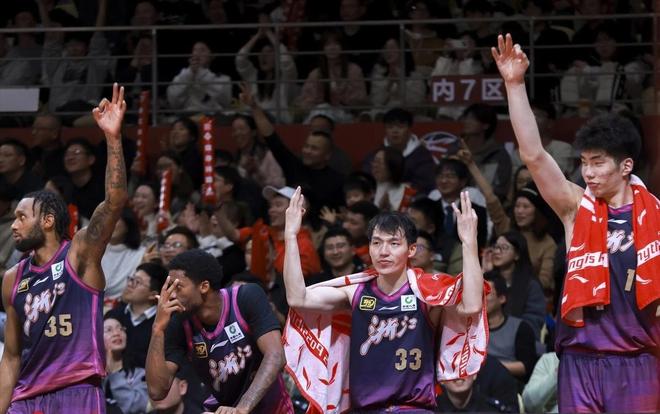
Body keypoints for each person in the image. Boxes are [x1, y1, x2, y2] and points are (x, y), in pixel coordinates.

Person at [493, 33, 659, 412]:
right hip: (579, 360)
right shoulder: (575, 207)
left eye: (598, 163)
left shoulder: (656, 218)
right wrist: (514, 84)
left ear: (626, 166)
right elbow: (534, 155)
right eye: (584, 163)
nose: (588, 173)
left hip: (637, 361)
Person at [282, 187, 487, 412]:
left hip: (413, 409)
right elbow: (297, 298)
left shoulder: (427, 293)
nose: (383, 251)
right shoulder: (355, 292)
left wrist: (469, 242)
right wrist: (290, 235)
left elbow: (472, 305)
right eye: (377, 243)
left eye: (394, 243)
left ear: (411, 250)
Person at [0, 83, 128, 412]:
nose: (14, 225)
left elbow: (114, 202)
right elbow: (11, 356)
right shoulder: (13, 278)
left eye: (22, 217)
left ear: (47, 221)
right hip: (26, 398)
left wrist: (112, 138)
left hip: (77, 389)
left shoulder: (79, 253)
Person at [145, 249, 293, 413]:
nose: (171, 295)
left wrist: (242, 408)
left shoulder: (245, 297)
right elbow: (157, 391)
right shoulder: (179, 324)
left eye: (178, 287)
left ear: (204, 286)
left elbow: (276, 356)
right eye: (169, 287)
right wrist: (157, 329)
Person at [106, 262, 168, 368]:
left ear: (153, 295)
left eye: (137, 282)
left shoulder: (164, 323)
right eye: (131, 279)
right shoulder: (113, 315)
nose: (130, 284)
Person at [484, 272, 538, 383]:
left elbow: (526, 366)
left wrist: (490, 366)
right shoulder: (471, 329)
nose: (481, 298)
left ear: (502, 298)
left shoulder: (520, 327)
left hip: (509, 384)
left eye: (486, 293)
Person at [103, 317, 149, 414]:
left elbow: (137, 406)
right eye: (109, 330)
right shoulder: (92, 374)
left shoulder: (139, 373)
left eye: (120, 329)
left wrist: (114, 374)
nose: (116, 333)